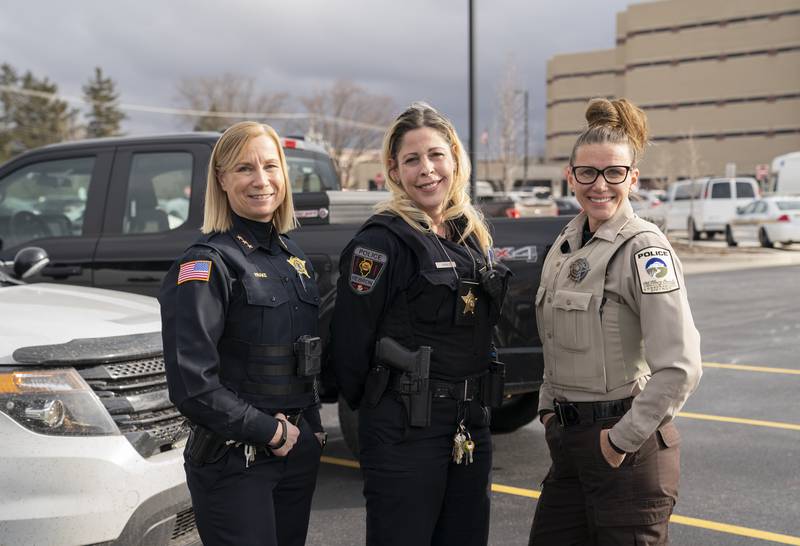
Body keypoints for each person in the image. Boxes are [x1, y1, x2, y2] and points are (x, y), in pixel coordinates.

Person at [331, 102, 511, 546]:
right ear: (393, 170)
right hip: (404, 429)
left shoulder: (471, 236)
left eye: (435, 155)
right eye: (412, 160)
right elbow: (349, 347)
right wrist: (384, 411)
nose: (427, 170)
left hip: (469, 422)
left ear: (454, 158)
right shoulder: (379, 243)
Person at [528, 98, 702, 545]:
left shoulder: (644, 250)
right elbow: (553, 336)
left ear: (633, 178)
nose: (599, 185)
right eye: (587, 172)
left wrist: (619, 441)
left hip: (626, 452)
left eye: (614, 173)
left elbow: (681, 366)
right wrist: (549, 408)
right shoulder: (567, 242)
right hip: (569, 445)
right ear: (570, 176)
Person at [159, 121, 326, 546]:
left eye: (271, 166)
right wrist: (270, 432)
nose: (261, 180)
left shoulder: (294, 259)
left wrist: (311, 428)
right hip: (235, 463)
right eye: (244, 169)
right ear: (222, 179)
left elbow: (304, 357)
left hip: (294, 456)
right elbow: (192, 386)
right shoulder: (205, 265)